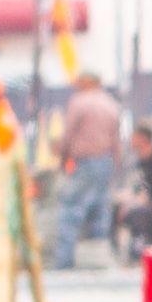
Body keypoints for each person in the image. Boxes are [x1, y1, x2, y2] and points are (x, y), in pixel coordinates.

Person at [47, 73, 127, 264]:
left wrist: (63, 158)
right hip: (105, 162)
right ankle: (96, 259)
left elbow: (69, 133)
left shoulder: (80, 102)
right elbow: (116, 140)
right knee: (100, 209)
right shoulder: (111, 104)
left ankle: (64, 260)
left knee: (71, 208)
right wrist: (115, 164)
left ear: (88, 82)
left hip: (84, 162)